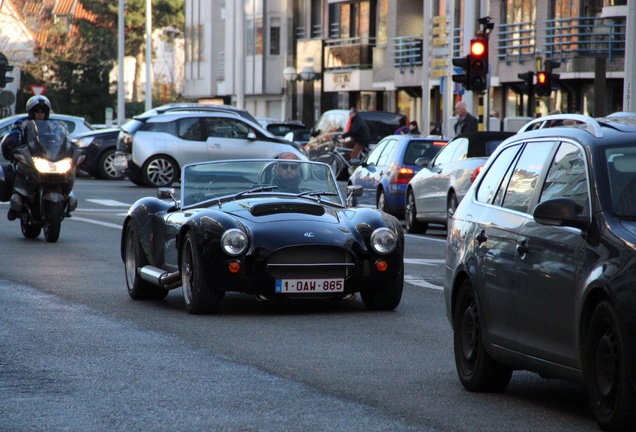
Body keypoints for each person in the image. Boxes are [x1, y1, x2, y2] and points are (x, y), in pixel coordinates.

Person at [2, 95, 52, 162]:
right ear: (31, 112)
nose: (40, 114)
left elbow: (60, 135)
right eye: (37, 111)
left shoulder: (51, 124)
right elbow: (15, 133)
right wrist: (13, 140)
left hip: (47, 156)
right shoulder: (22, 122)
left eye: (43, 111)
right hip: (27, 156)